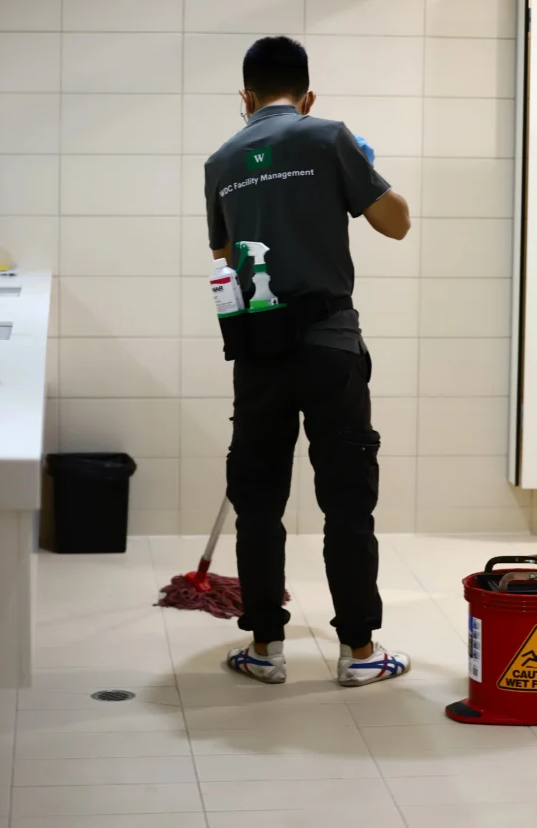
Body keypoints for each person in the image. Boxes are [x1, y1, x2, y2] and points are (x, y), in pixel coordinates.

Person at [204, 36, 411, 687]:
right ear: (307, 94)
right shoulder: (329, 137)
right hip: (331, 347)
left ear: (245, 97)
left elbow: (225, 256)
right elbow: (396, 223)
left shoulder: (220, 161)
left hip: (259, 353)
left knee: (258, 502)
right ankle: (358, 653)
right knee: (346, 499)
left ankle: (265, 649)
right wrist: (366, 171)